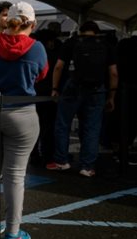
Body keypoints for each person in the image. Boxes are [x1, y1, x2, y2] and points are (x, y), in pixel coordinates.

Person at [0, 1, 48, 239]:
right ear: (32, 24)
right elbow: (41, 75)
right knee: (15, 176)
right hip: (22, 113)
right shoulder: (37, 48)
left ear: (7, 20)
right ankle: (13, 233)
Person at [48, 20, 118, 177]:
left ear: (81, 30)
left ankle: (61, 161)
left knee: (63, 124)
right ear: (96, 31)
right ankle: (87, 167)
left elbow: (59, 67)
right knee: (92, 128)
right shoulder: (105, 44)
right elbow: (113, 73)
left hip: (73, 87)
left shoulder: (72, 42)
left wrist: (54, 88)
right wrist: (112, 96)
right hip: (97, 90)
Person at [32, 27, 63, 165]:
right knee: (48, 127)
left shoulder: (33, 53)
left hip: (34, 94)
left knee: (35, 127)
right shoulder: (54, 55)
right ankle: (47, 155)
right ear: (50, 41)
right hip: (50, 94)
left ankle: (34, 155)